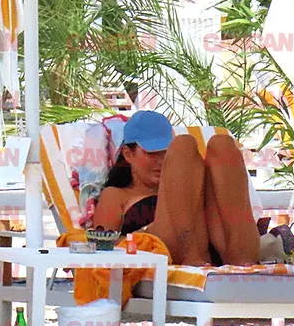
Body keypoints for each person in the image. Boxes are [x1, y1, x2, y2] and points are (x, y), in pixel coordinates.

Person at [92, 110, 259, 266]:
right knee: (184, 144)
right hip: (165, 248)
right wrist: (143, 237)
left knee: (222, 144)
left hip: (218, 242)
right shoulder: (117, 195)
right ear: (128, 154)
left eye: (167, 152)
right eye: (152, 153)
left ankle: (241, 260)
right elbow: (102, 244)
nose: (162, 161)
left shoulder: (195, 180)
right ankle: (191, 257)